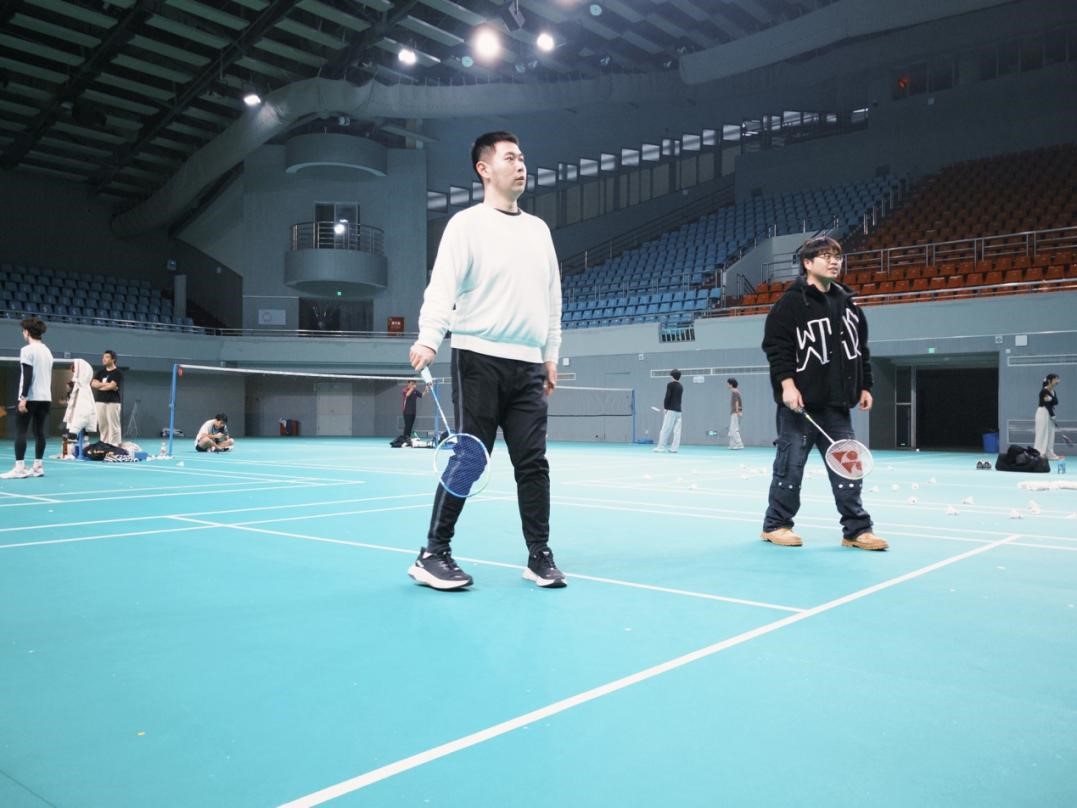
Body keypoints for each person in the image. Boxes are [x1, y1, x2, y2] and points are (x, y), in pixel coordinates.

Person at [406, 130, 564, 591]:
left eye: (523, 157)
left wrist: (550, 355)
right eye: (510, 158)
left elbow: (552, 299)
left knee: (533, 463)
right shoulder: (466, 225)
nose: (521, 165)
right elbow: (443, 287)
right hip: (478, 356)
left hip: (527, 365)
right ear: (484, 169)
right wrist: (430, 337)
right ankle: (433, 553)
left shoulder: (539, 231)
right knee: (471, 457)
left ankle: (539, 555)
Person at [760, 235, 888, 551]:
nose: (834, 262)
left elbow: (861, 350)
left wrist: (865, 385)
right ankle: (776, 525)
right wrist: (787, 385)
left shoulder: (850, 306)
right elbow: (777, 348)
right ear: (807, 263)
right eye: (826, 256)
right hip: (800, 407)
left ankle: (857, 531)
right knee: (790, 467)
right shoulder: (790, 303)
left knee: (848, 469)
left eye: (837, 256)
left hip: (837, 406)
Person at [2, 317, 54, 479]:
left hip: (30, 397)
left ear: (26, 332)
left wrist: (23, 397)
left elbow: (28, 375)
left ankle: (19, 468)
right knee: (39, 432)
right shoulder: (47, 351)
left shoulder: (27, 350)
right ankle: (38, 467)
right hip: (46, 398)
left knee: (21, 431)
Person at [62, 358, 98, 457]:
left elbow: (84, 410)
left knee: (77, 436)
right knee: (65, 435)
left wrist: (74, 428)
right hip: (72, 418)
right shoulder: (76, 387)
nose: (74, 374)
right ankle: (66, 453)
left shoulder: (84, 389)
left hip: (79, 420)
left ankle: (80, 451)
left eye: (75, 371)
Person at [91, 349, 122, 445]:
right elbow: (93, 384)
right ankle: (103, 444)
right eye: (103, 357)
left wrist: (101, 385)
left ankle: (114, 445)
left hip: (113, 402)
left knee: (113, 425)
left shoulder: (117, 373)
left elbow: (111, 386)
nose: (104, 359)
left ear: (113, 359)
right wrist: (107, 385)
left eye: (107, 357)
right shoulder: (100, 372)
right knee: (102, 425)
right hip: (100, 401)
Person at [653, 369, 683, 453]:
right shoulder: (681, 386)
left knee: (665, 429)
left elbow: (667, 397)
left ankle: (661, 447)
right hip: (679, 411)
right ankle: (674, 448)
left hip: (671, 410)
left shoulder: (670, 385)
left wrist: (665, 408)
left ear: (672, 376)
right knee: (677, 431)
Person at [1033, 373, 1062, 461]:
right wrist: (1052, 415)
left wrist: (1051, 400)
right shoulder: (1044, 391)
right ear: (1049, 381)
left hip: (1049, 413)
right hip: (1043, 413)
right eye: (1056, 379)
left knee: (1050, 434)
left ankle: (1050, 454)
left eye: (1058, 379)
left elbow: (1056, 402)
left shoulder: (1053, 391)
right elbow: (1047, 404)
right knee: (1042, 434)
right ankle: (1039, 454)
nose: (1058, 381)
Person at [396, 379, 425, 447]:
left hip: (413, 412)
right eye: (411, 383)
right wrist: (412, 388)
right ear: (408, 384)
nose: (413, 385)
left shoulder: (415, 391)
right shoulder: (405, 390)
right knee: (407, 426)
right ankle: (404, 440)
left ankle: (408, 440)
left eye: (414, 383)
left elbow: (421, 395)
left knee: (410, 427)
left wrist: (426, 390)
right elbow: (407, 394)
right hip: (407, 411)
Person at [727, 377, 744, 449]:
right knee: (732, 429)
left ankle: (739, 444)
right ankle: (732, 445)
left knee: (734, 429)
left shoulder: (735, 392)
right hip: (734, 412)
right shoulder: (735, 391)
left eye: (728, 384)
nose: (727, 385)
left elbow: (736, 402)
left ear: (731, 384)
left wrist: (737, 412)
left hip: (735, 412)